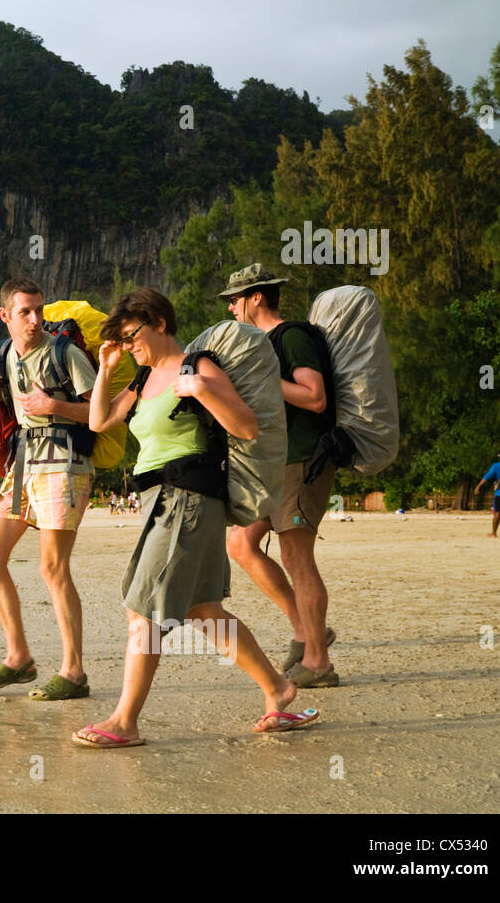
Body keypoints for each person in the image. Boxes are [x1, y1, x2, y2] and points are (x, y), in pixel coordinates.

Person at [73, 287, 318, 748]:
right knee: (204, 611)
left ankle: (125, 721)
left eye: (132, 336)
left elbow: (246, 426)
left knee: (143, 611)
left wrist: (202, 390)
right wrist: (106, 370)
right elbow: (98, 422)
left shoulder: (197, 367)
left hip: (186, 498)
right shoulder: (142, 381)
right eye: (124, 341)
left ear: (159, 323)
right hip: (157, 503)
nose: (130, 347)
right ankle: (278, 689)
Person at [0, 277, 95, 701]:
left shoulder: (67, 353)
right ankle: (19, 657)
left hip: (64, 461)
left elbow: (101, 413)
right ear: (5, 315)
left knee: (52, 568)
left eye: (39, 310)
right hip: (23, 461)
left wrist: (54, 406)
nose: (35, 319)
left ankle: (74, 672)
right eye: (25, 311)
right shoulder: (4, 354)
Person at [220, 265, 339, 689]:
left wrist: (265, 378)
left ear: (256, 297)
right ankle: (306, 631)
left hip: (302, 459)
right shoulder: (262, 343)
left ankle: (319, 663)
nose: (231, 307)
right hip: (271, 463)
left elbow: (314, 396)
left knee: (296, 557)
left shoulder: (291, 337)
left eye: (234, 299)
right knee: (240, 543)